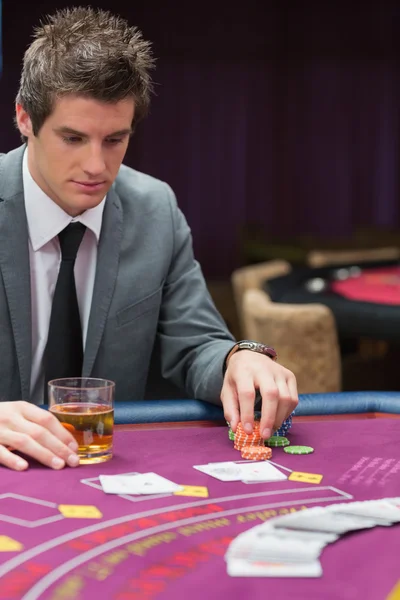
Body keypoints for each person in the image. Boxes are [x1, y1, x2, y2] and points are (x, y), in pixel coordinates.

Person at [0, 7, 298, 472]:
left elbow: (197, 343)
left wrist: (239, 358)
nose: (97, 166)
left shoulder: (155, 209)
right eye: (73, 138)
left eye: (115, 139)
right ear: (24, 119)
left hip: (109, 471)